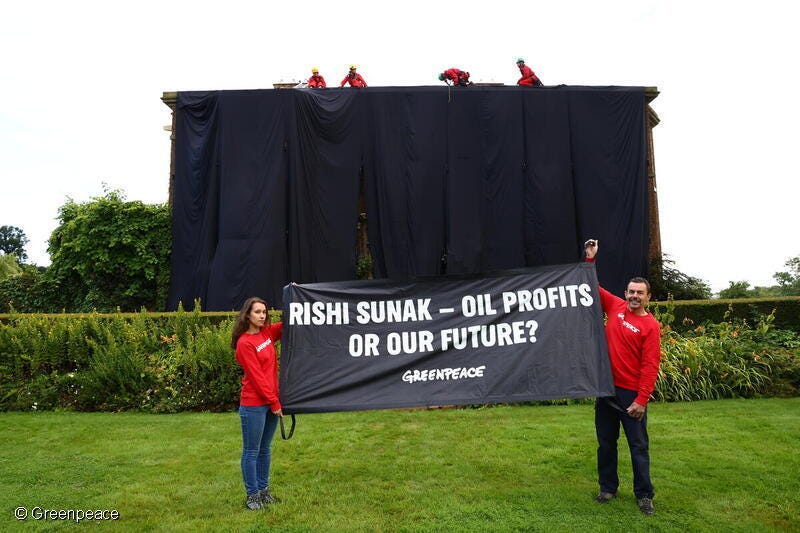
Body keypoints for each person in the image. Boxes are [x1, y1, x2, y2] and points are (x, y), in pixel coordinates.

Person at [584, 239, 661, 516]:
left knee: (638, 446)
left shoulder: (650, 326)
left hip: (631, 395)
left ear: (648, 296)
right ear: (625, 293)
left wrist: (641, 400)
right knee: (606, 443)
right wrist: (591, 258)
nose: (634, 296)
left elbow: (651, 365)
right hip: (606, 389)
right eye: (631, 291)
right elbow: (590, 287)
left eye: (640, 293)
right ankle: (608, 488)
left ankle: (644, 495)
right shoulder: (615, 306)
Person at [232, 297, 284, 510]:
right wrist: (274, 402)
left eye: (264, 312)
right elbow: (257, 377)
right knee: (251, 451)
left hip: (271, 400)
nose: (262, 315)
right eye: (257, 312)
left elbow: (291, 321)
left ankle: (264, 491)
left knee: (265, 449)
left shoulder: (267, 333)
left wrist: (296, 295)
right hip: (254, 403)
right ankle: (252, 495)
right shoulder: (244, 343)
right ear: (247, 315)